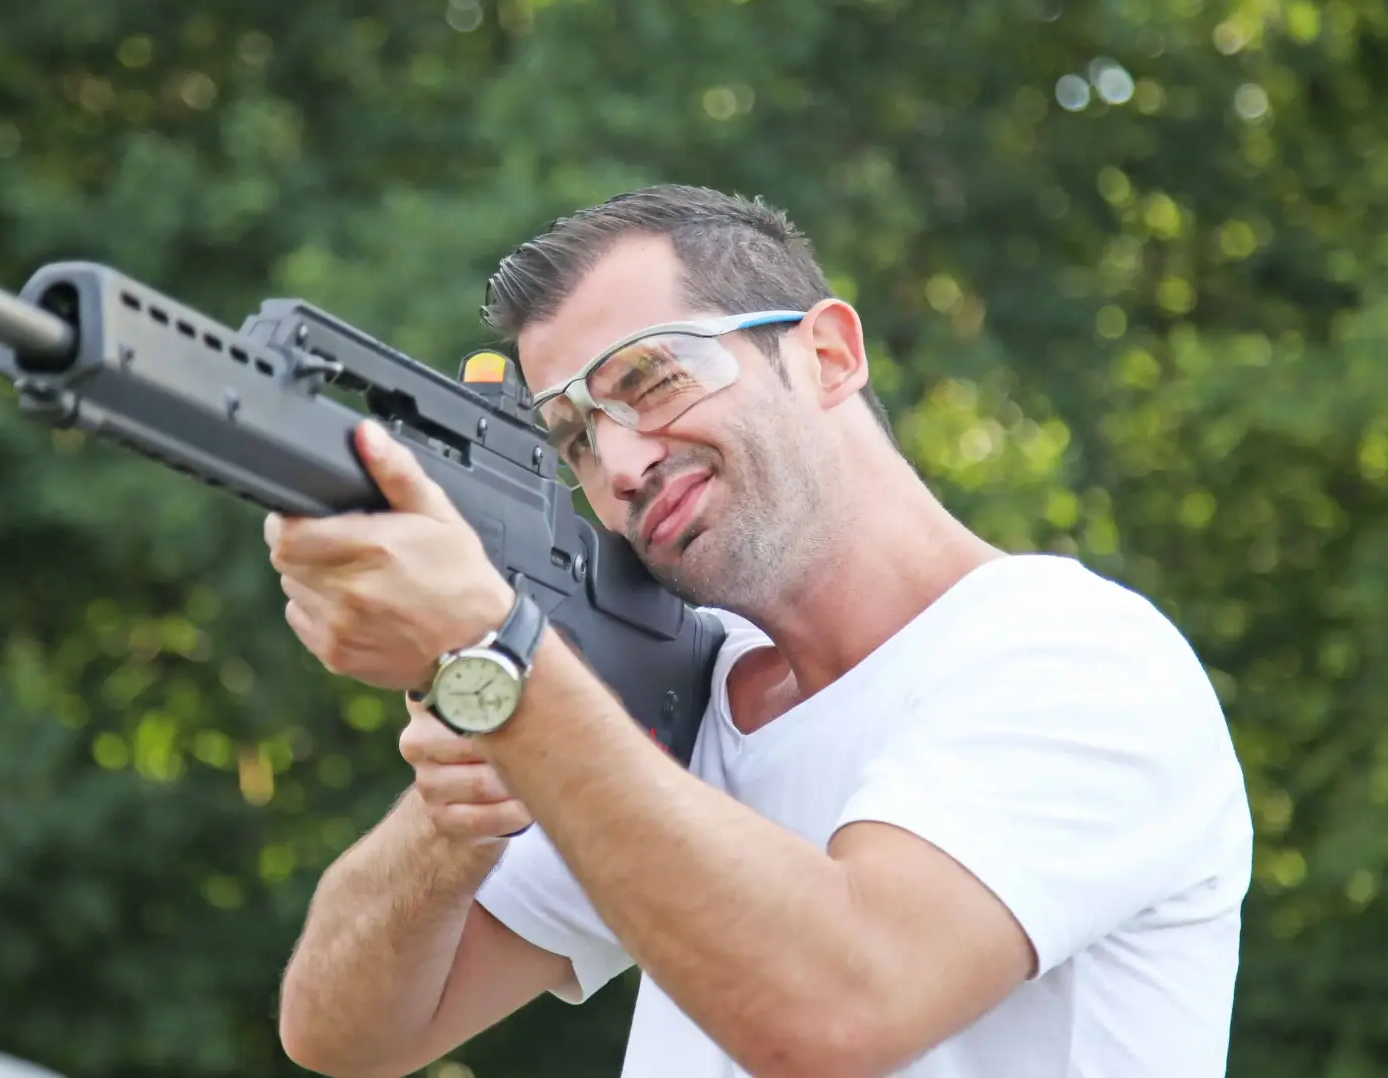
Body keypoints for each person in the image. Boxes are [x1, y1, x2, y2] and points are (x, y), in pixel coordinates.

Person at [267, 184, 1254, 1078]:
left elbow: (837, 1017)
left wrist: (501, 660)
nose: (620, 464)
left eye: (651, 379)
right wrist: (459, 805)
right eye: (575, 438)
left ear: (828, 355)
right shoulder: (674, 696)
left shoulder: (1077, 655)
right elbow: (346, 1035)